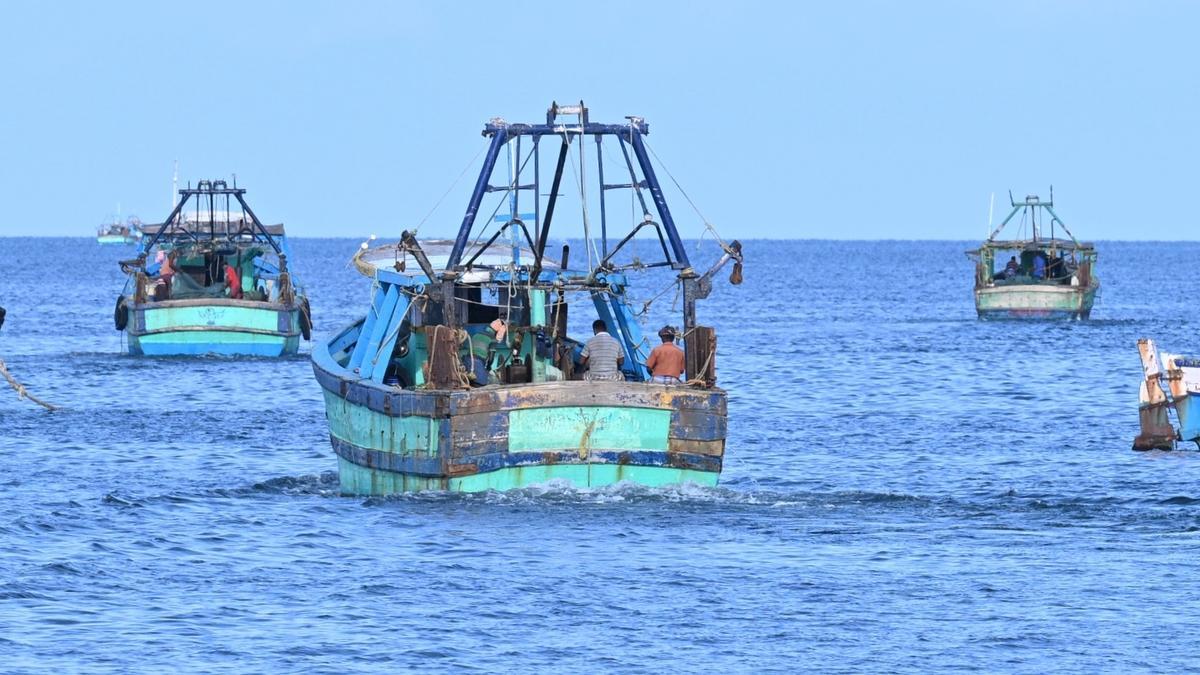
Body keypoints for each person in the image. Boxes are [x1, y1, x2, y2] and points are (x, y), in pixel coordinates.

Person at [464, 318, 507, 386]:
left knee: (470, 384)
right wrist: (488, 368)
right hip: (477, 364)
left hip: (467, 362)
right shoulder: (492, 339)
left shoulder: (477, 334)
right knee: (485, 384)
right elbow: (491, 358)